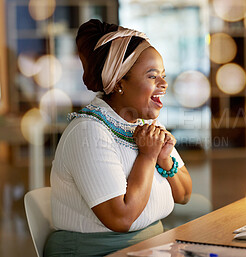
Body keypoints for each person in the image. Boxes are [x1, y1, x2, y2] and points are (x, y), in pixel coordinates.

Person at [44, 19, 192, 256]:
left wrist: (164, 160)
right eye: (152, 76)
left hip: (154, 246)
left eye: (163, 75)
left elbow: (184, 194)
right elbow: (121, 218)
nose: (164, 84)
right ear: (119, 82)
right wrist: (148, 156)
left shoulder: (146, 123)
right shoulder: (89, 132)